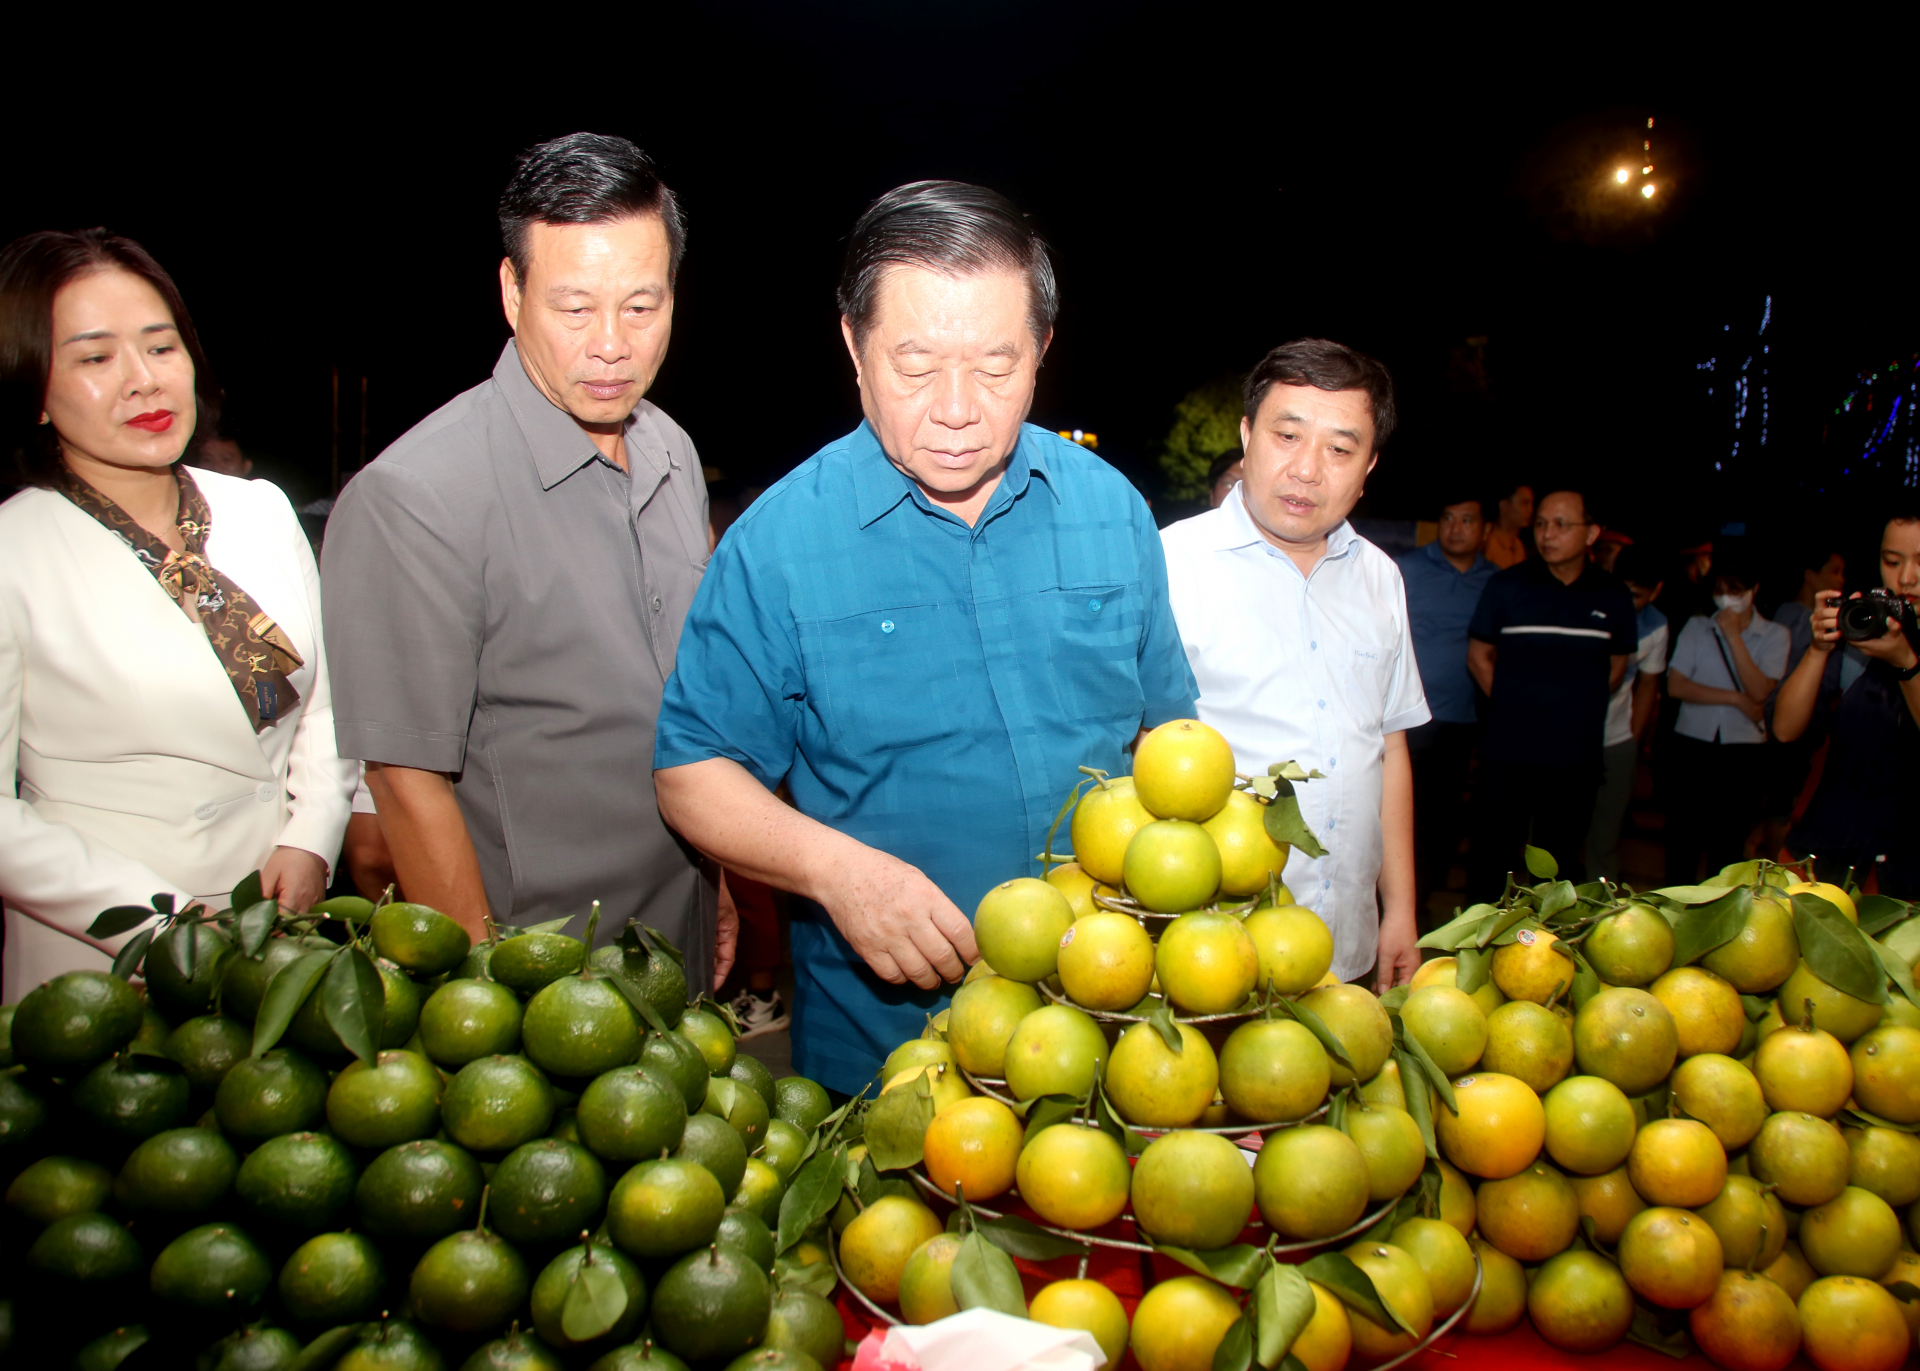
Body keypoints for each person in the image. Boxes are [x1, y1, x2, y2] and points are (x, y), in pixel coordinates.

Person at [653, 181, 1196, 1093]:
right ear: (854, 347)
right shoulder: (779, 543)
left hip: (1113, 1027)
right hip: (886, 1047)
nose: (956, 407)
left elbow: (1168, 741)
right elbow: (691, 772)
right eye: (914, 364)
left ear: (1043, 350)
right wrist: (838, 873)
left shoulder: (1111, 510)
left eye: (996, 365)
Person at [321, 134, 726, 988]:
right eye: (574, 308)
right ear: (512, 293)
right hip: (542, 992)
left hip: (676, 955)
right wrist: (485, 1009)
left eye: (642, 306)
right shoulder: (414, 496)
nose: (611, 344)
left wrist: (715, 883)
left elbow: (682, 710)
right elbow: (404, 783)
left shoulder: (673, 454)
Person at [0, 229, 355, 999]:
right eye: (95, 358)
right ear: (32, 387)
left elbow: (329, 702)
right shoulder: (13, 549)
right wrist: (159, 920)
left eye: (160, 347)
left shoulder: (258, 509)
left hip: (276, 928)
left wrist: (312, 837)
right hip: (104, 958)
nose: (143, 381)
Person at [1162, 339, 1428, 990]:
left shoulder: (1380, 578)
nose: (1307, 469)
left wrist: (1401, 909)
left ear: (1368, 466)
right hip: (1214, 951)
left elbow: (1388, 748)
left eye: (1340, 449)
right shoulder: (1169, 567)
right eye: (1287, 435)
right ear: (1248, 436)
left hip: (1352, 945)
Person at [1466, 489, 1635, 896]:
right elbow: (1478, 656)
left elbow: (1617, 665)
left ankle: (1545, 949)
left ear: (1591, 533)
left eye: (1561, 524)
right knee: (1491, 856)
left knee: (1556, 862)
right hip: (1507, 751)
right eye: (1540, 524)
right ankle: (1477, 945)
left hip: (1573, 757)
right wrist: (1514, 705)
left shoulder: (1613, 594)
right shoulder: (1506, 586)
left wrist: (1570, 708)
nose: (1547, 534)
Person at [1775, 514, 1920, 895]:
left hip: (1906, 879)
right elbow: (1784, 729)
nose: (1906, 578)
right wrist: (1820, 648)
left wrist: (1905, 660)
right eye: (1892, 561)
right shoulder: (1865, 632)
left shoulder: (1894, 650)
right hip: (1824, 856)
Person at [1394, 491, 1496, 919]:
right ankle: (1397, 905)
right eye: (1448, 518)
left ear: (1485, 529)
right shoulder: (1408, 569)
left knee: (1442, 821)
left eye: (1467, 520)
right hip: (1406, 721)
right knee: (1400, 819)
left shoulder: (1496, 581)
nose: (1456, 528)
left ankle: (1421, 902)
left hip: (1460, 719)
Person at [1662, 550, 1788, 881]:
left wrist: (1733, 636)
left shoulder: (1775, 635)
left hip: (1743, 750)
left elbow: (1760, 690)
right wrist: (1735, 699)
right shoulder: (1696, 626)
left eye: (1735, 591)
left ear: (1754, 589)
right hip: (1692, 742)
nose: (1726, 600)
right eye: (1719, 591)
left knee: (1729, 841)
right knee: (1682, 837)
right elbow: (1676, 685)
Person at [1583, 546, 1668, 881]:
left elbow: (1648, 684)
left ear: (1657, 590)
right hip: (1570, 738)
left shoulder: (1656, 626)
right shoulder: (1588, 608)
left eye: (1637, 595)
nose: (1627, 601)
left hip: (1616, 740)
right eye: (1623, 589)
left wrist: (1632, 738)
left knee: (1605, 837)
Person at [1483, 481, 1533, 569]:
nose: (1530, 510)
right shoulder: (1486, 542)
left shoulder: (1519, 546)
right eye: (1524, 503)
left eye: (1531, 504)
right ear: (1504, 506)